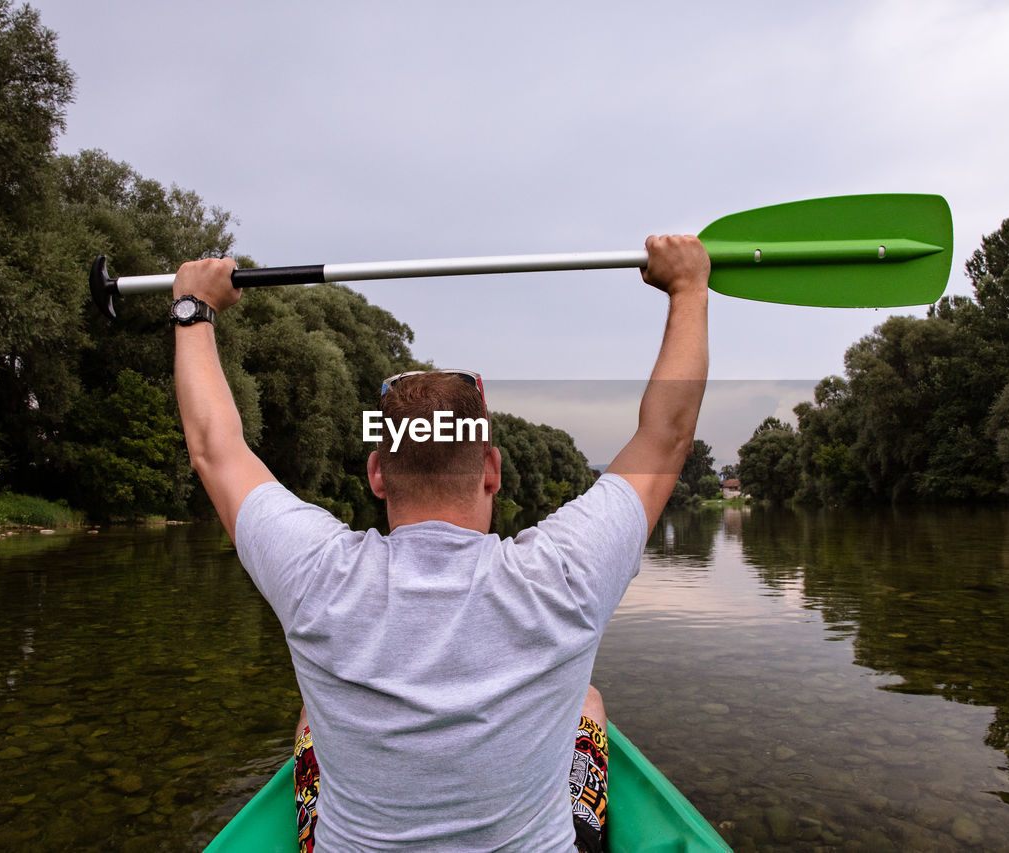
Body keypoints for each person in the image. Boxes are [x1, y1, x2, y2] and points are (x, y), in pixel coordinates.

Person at [172, 235, 709, 851]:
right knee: (586, 700)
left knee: (308, 720)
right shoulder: (564, 572)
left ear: (377, 474)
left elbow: (215, 448)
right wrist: (688, 288)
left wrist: (193, 309)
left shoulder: (315, 573)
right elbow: (666, 435)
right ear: (492, 471)